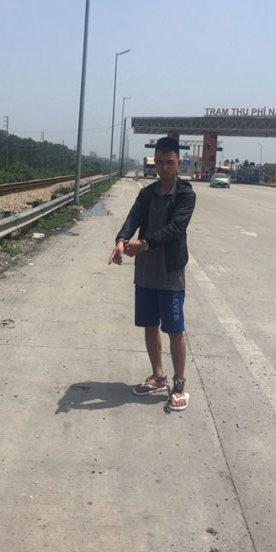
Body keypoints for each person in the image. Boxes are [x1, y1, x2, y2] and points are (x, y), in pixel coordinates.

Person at [108, 137, 196, 412]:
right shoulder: (147, 193)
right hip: (146, 271)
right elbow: (133, 218)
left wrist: (144, 244)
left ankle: (179, 385)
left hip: (170, 272)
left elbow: (176, 228)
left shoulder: (185, 195)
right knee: (149, 325)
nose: (164, 167)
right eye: (159, 162)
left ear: (179, 163)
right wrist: (121, 241)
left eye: (169, 162)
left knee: (174, 330)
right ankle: (158, 376)